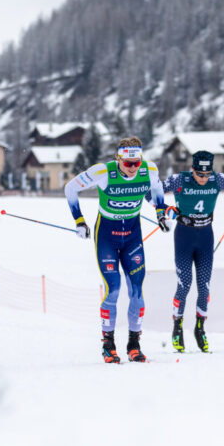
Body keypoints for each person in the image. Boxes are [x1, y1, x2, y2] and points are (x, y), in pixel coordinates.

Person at [64, 136, 168, 363]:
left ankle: (134, 343)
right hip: (107, 237)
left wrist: (161, 213)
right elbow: (70, 188)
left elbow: (158, 190)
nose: (133, 168)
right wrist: (79, 220)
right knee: (113, 289)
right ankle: (108, 343)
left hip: (132, 235)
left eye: (136, 163)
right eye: (128, 163)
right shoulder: (103, 172)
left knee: (137, 291)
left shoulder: (148, 170)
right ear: (118, 159)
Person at [161, 150, 224, 353]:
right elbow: (150, 192)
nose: (203, 178)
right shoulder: (179, 180)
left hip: (206, 235)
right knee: (184, 284)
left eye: (207, 175)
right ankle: (177, 326)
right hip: (184, 236)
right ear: (193, 169)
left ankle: (200, 328)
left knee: (204, 286)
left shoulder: (218, 179)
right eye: (200, 174)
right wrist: (165, 209)